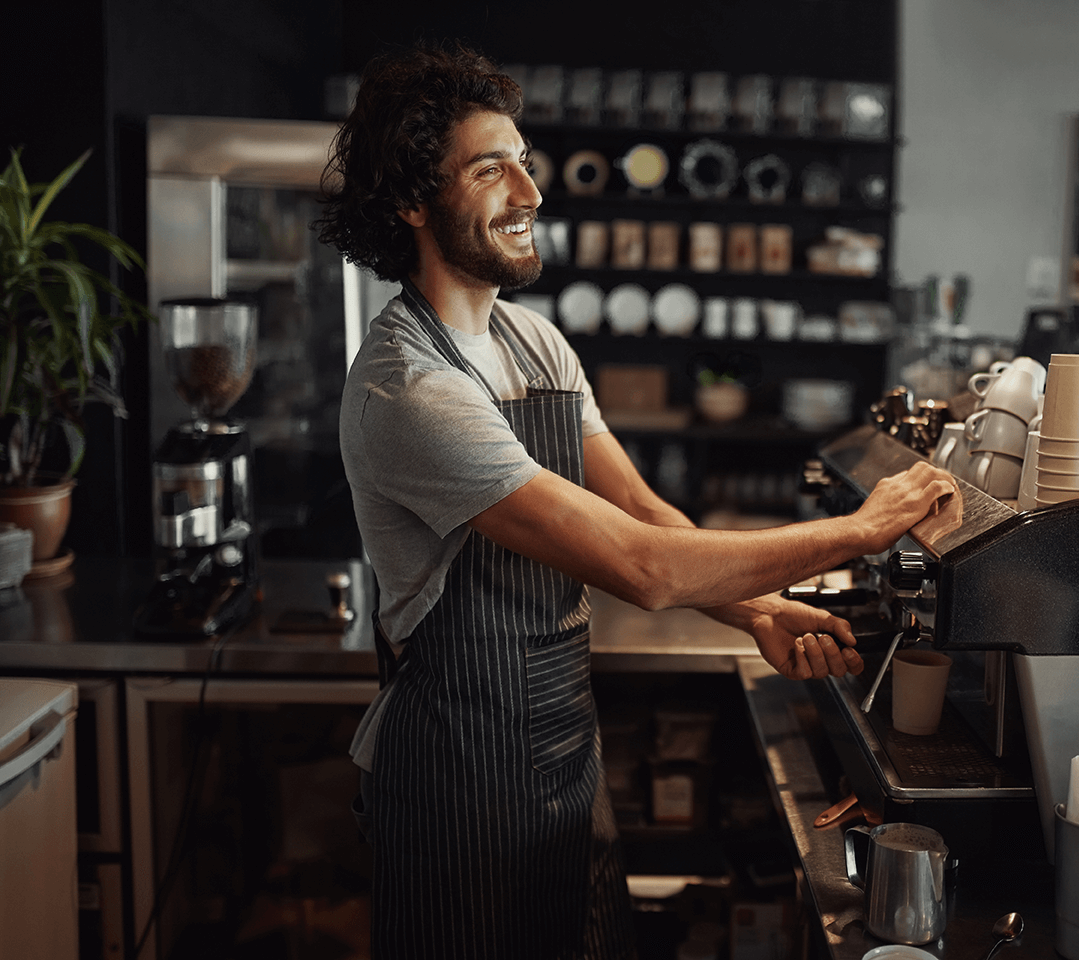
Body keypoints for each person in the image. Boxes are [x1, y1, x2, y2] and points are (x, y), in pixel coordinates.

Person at [317, 40, 956, 960]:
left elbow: (651, 516)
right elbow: (643, 570)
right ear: (413, 201)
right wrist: (862, 529)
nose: (530, 194)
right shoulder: (409, 391)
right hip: (456, 773)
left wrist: (757, 613)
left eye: (525, 164)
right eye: (491, 169)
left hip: (564, 751)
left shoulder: (534, 345)